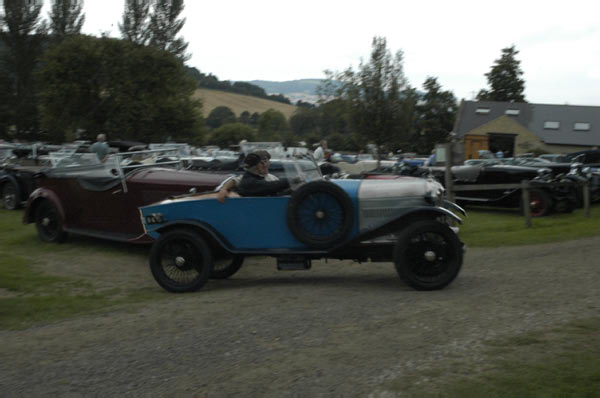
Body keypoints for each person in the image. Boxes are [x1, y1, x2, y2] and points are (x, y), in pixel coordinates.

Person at [215, 150, 280, 203]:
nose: (264, 165)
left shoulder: (273, 178)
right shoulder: (247, 177)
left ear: (269, 162)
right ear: (255, 165)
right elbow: (234, 181)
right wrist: (224, 190)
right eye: (261, 163)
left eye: (265, 162)